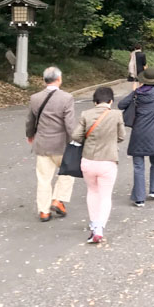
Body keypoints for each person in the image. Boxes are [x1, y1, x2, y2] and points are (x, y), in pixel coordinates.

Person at [71, 86, 125, 244]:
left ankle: (93, 223)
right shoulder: (116, 115)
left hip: (88, 160)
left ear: (95, 102)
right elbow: (122, 136)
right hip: (108, 161)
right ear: (111, 101)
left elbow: (76, 136)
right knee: (105, 195)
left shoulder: (85, 114)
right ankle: (99, 227)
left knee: (92, 192)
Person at [25, 66, 76, 222]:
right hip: (61, 144)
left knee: (43, 179)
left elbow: (30, 121)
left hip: (42, 144)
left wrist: (30, 135)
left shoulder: (35, 98)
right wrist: (76, 139)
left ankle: (44, 211)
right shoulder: (66, 98)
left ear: (44, 80)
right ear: (59, 79)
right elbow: (69, 123)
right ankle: (58, 199)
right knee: (68, 173)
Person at [118, 65, 154, 207]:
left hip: (139, 132)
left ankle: (139, 198)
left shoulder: (136, 93)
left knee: (138, 166)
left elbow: (121, 105)